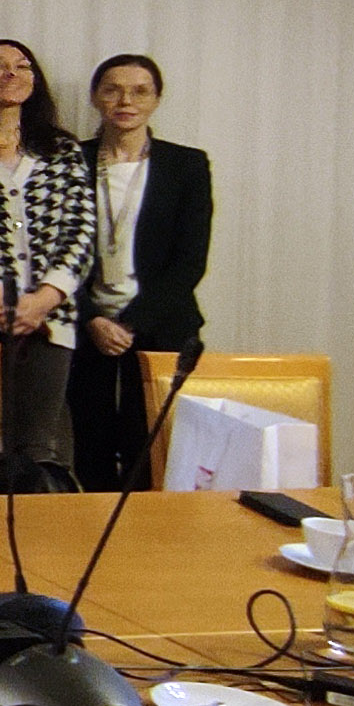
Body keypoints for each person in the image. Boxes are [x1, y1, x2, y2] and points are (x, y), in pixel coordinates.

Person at [64, 55, 214, 491]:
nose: (125, 101)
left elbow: (190, 260)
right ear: (95, 97)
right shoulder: (69, 161)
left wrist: (129, 323)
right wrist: (93, 318)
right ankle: (96, 526)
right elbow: (52, 252)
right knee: (89, 444)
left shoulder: (186, 165)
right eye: (112, 90)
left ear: (157, 99)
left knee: (150, 444)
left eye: (139, 91)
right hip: (83, 324)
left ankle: (143, 529)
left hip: (160, 323)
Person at [0, 39, 96, 476]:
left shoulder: (62, 149)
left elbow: (81, 230)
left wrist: (44, 299)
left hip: (50, 319)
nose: (11, 73)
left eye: (22, 66)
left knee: (40, 447)